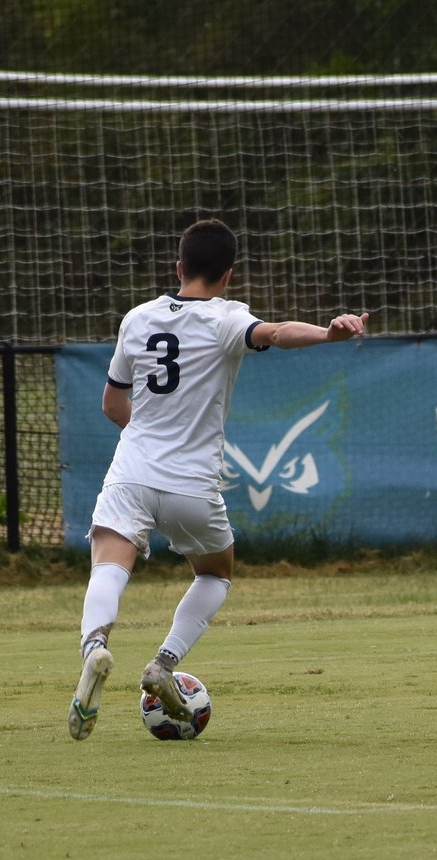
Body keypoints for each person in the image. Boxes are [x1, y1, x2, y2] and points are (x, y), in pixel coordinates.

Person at [68, 219, 368, 739]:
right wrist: (327, 332)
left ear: (179, 268)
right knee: (214, 573)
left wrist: (149, 437)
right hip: (193, 484)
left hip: (132, 471)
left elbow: (113, 403)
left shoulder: (137, 319)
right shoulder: (228, 319)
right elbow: (275, 334)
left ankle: (95, 648)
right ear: (229, 276)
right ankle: (163, 664)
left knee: (109, 563)